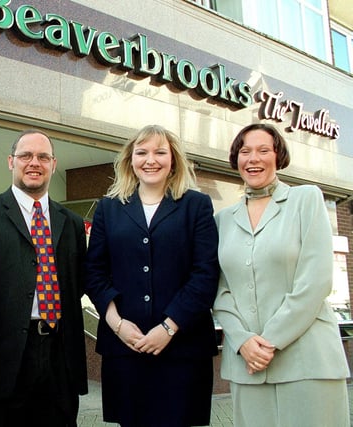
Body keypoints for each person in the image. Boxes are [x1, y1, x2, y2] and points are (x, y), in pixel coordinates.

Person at [213, 123, 350, 427]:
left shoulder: (306, 200)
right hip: (247, 365)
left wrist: (268, 342)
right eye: (245, 151)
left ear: (278, 156)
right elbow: (220, 290)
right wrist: (243, 342)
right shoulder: (222, 219)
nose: (254, 159)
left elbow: (316, 281)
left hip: (308, 360)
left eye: (264, 150)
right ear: (236, 158)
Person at [85, 124, 219, 427]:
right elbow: (94, 271)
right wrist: (116, 324)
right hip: (125, 348)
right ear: (130, 159)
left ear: (173, 160)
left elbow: (205, 273)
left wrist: (169, 327)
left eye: (160, 152)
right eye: (142, 152)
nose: (151, 159)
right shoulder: (109, 208)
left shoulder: (196, 205)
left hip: (182, 349)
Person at [0, 129, 88, 427]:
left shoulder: (71, 223)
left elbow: (79, 281)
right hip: (0, 361)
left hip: (60, 357)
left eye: (43, 157)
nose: (34, 162)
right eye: (26, 156)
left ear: (53, 164)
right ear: (11, 161)